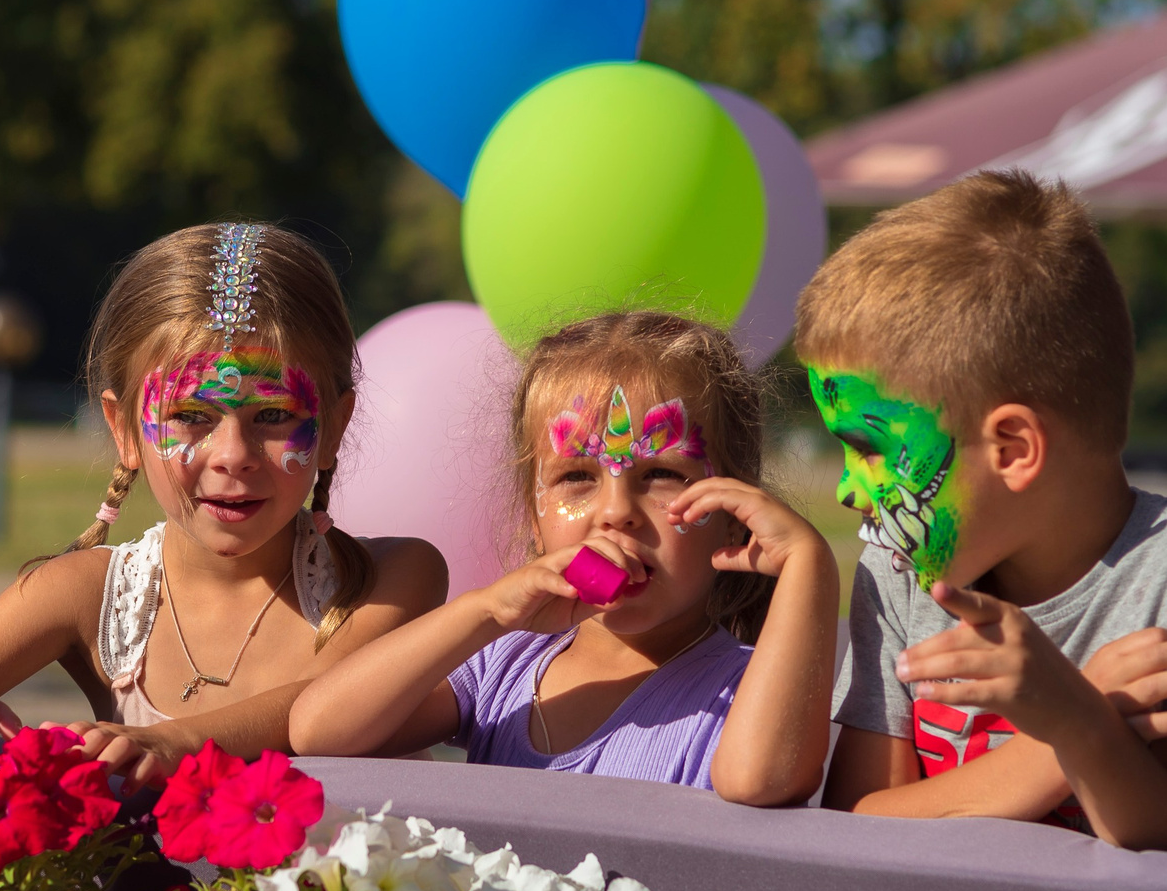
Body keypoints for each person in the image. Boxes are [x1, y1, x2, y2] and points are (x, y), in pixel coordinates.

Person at [0, 223, 447, 784]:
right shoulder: (83, 593)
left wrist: (173, 741)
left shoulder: (391, 580)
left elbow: (319, 703)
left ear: (335, 428)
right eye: (190, 416)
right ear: (125, 429)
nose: (233, 455)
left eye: (273, 415)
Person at [803, 170, 1167, 851]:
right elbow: (857, 823)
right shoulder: (897, 566)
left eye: (869, 449)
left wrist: (1075, 718)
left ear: (1014, 447)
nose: (849, 487)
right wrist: (1079, 724)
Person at [289, 311, 837, 802]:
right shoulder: (504, 664)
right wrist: (488, 611)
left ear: (734, 510)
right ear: (533, 513)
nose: (616, 512)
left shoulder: (747, 688)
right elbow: (320, 731)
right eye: (577, 477)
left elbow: (761, 779)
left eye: (663, 474)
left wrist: (809, 567)